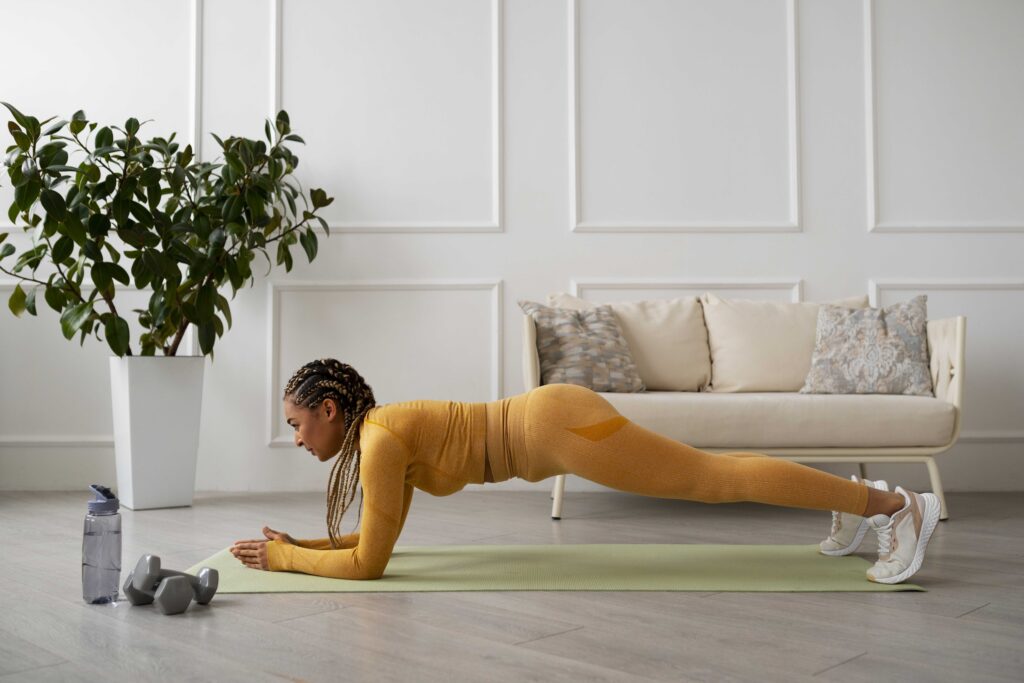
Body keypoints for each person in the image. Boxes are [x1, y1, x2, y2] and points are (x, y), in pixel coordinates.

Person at [231, 358, 941, 584]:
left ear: (329, 410)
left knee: (712, 478)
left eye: (296, 423)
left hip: (558, 427)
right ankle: (857, 503)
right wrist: (299, 543)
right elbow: (370, 542)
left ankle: (893, 506)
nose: (293, 437)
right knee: (713, 474)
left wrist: (287, 559)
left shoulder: (382, 440)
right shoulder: (384, 436)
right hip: (555, 420)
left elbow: (370, 568)